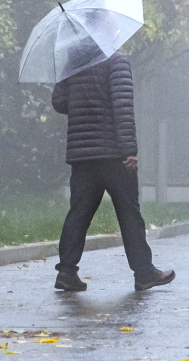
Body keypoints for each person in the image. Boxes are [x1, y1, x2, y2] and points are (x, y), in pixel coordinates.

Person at [51, 50, 174, 292]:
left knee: (78, 214)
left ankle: (66, 272)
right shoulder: (116, 61)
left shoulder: (73, 64)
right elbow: (123, 106)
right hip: (113, 154)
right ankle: (144, 273)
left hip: (82, 154)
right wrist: (129, 149)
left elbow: (59, 102)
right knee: (129, 214)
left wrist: (82, 100)